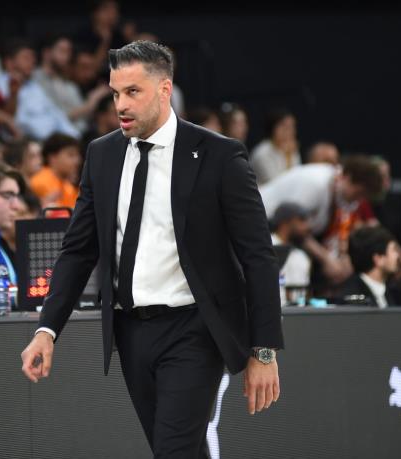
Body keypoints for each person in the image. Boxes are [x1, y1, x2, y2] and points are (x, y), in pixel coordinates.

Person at [20, 41, 282, 457]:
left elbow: (258, 256)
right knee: (180, 450)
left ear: (164, 89)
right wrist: (46, 330)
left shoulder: (219, 155)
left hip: (194, 330)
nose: (121, 105)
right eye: (115, 94)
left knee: (172, 451)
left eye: (132, 92)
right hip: (130, 332)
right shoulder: (102, 155)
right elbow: (78, 251)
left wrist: (263, 350)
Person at [0, 38, 80, 141]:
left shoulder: (34, 87)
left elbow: (57, 116)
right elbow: (13, 121)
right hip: (24, 141)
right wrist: (14, 94)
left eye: (33, 58)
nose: (32, 62)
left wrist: (75, 137)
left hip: (51, 141)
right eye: (26, 58)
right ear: (9, 62)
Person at [336, 226, 399, 307]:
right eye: (393, 250)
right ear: (378, 259)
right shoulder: (351, 297)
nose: (397, 255)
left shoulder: (395, 293)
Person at [29, 133, 81, 209]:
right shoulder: (41, 182)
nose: (77, 161)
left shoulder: (68, 186)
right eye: (71, 155)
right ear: (52, 157)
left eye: (77, 155)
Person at [250, 108, 300, 185]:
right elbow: (275, 183)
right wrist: (288, 157)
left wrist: (289, 155)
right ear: (273, 127)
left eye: (292, 126)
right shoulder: (262, 153)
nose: (289, 131)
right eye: (284, 126)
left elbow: (297, 178)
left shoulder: (291, 149)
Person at [270, 203, 312, 290]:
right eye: (301, 220)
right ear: (285, 223)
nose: (307, 226)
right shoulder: (267, 249)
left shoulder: (301, 256)